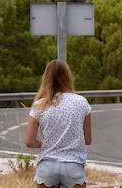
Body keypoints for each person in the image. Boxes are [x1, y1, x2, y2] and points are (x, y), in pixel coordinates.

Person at [25, 60, 92, 188]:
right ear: (68, 77)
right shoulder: (82, 102)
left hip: (47, 167)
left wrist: (46, 143)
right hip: (73, 166)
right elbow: (87, 140)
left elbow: (29, 141)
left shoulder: (39, 105)